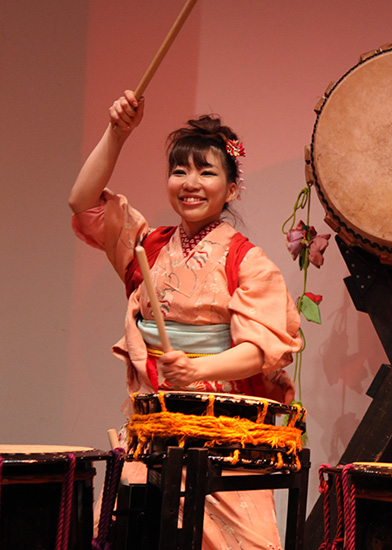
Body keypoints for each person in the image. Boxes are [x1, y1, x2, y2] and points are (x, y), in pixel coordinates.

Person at [69, 90, 303, 550]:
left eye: (206, 172)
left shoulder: (248, 261)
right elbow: (84, 202)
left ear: (231, 189)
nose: (190, 182)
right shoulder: (148, 246)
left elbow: (260, 350)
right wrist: (117, 133)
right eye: (179, 171)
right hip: (153, 428)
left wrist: (197, 369)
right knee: (125, 532)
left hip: (222, 434)